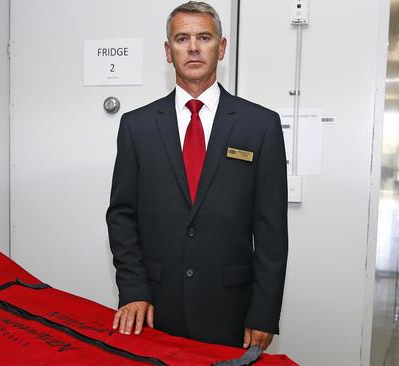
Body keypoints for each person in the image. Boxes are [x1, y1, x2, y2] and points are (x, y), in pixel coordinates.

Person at [106, 1, 288, 350]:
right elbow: (122, 216)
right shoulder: (137, 126)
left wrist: (264, 312)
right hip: (153, 307)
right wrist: (133, 290)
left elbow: (271, 230)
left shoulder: (260, 125)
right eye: (181, 38)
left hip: (231, 309)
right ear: (167, 50)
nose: (192, 47)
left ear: (221, 48)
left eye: (204, 37)